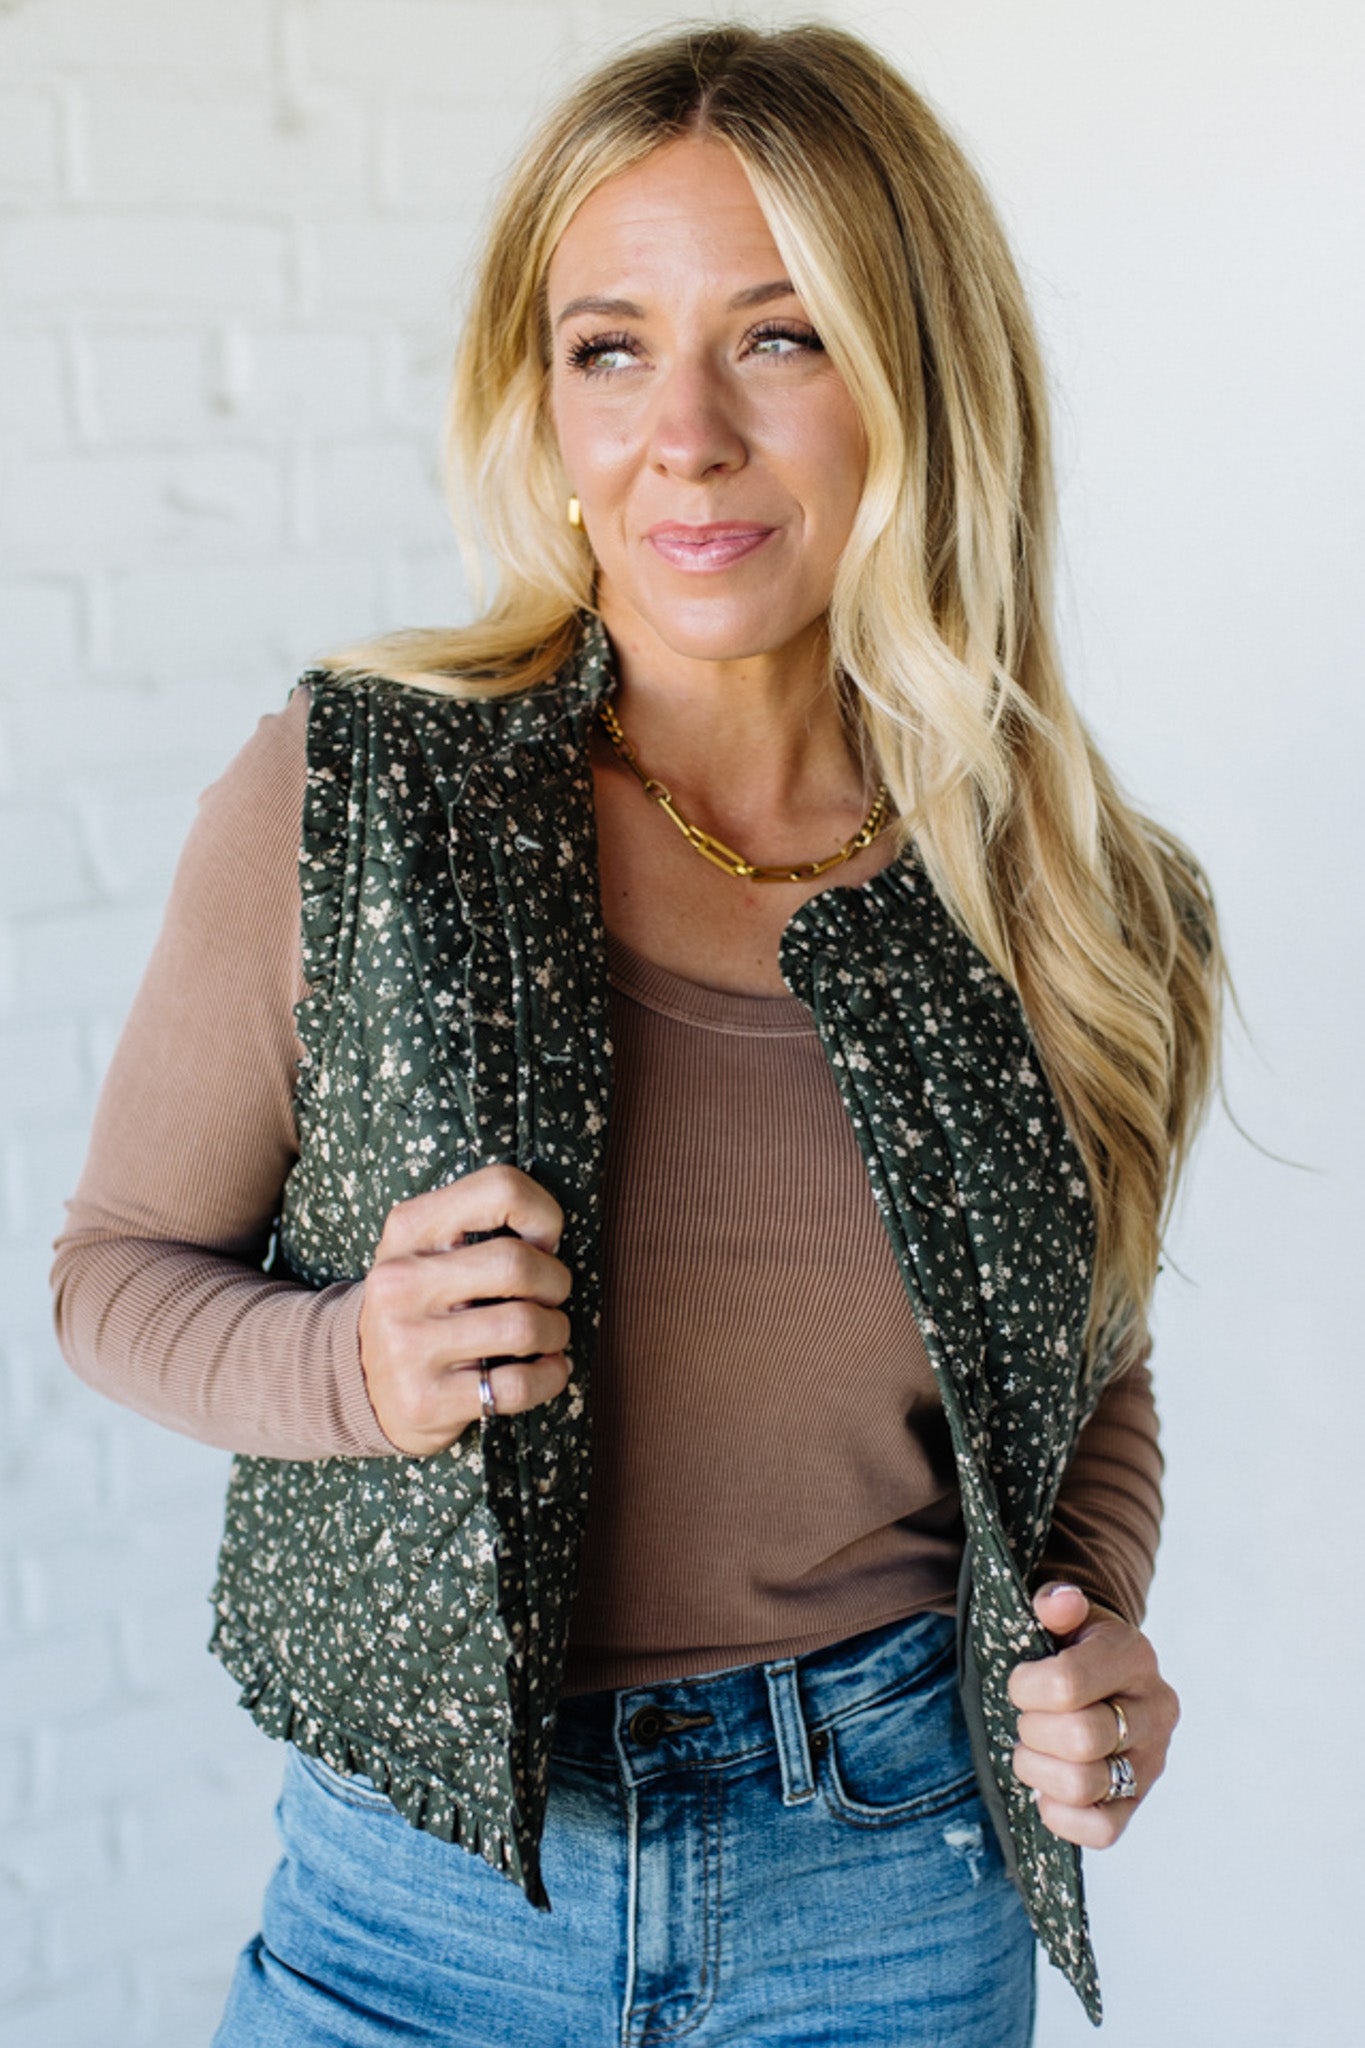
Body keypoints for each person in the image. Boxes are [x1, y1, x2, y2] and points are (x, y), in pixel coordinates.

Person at [51, 22, 1220, 2047]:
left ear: (915, 375)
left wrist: (1084, 1625)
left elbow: (1086, 1371)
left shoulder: (1071, 898)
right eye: (606, 345)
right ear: (538, 390)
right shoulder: (355, 803)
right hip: (419, 1896)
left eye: (776, 338)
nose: (677, 434)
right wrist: (352, 1361)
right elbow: (108, 1280)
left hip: (889, 1870)